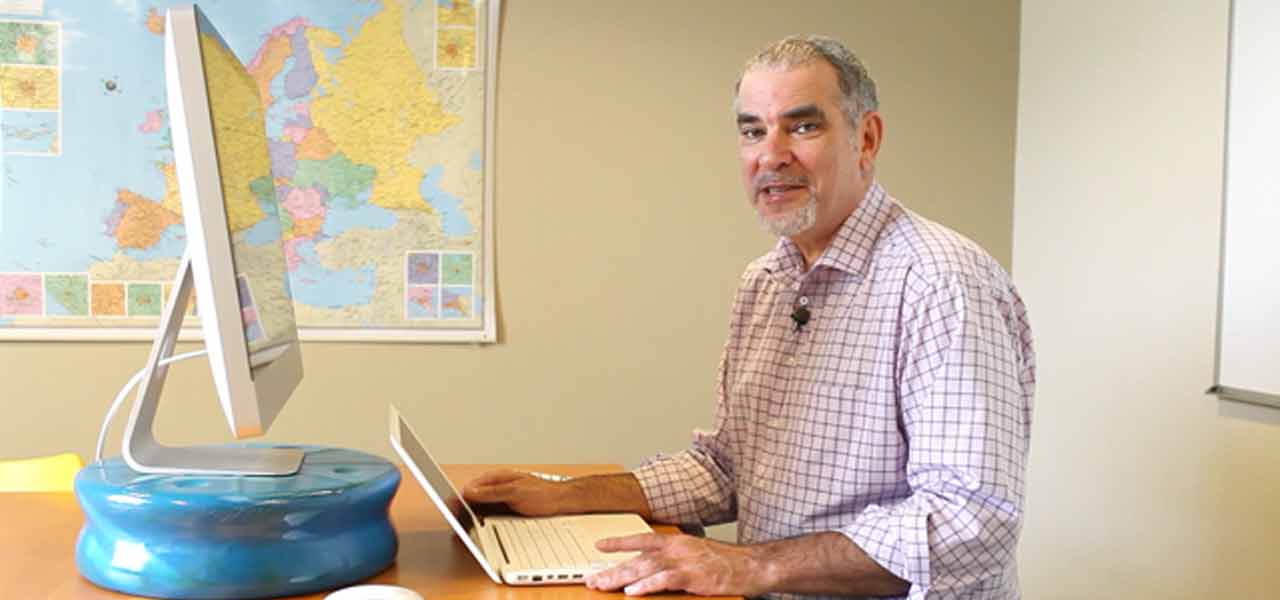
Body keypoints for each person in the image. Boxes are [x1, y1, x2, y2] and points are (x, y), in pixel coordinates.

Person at [464, 35, 1035, 600]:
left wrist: (748, 566)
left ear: (866, 138)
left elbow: (972, 525)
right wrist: (566, 495)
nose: (771, 155)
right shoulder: (765, 282)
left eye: (803, 126)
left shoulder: (942, 281)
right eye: (753, 131)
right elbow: (726, 469)